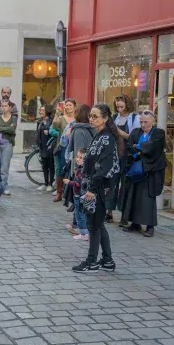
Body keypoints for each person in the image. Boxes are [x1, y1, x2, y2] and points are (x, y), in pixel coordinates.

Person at [72, 103, 120, 273]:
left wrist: (92, 189)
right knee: (98, 224)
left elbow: (103, 167)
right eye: (90, 116)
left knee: (93, 225)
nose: (91, 119)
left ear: (105, 119)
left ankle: (92, 262)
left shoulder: (107, 138)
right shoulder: (99, 135)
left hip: (99, 187)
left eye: (95, 116)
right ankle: (107, 261)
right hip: (95, 185)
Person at [120, 110, 166, 237]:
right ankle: (135, 223)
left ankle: (150, 226)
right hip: (136, 169)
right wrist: (138, 151)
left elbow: (153, 147)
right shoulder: (136, 132)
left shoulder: (158, 133)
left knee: (148, 198)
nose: (143, 125)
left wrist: (139, 148)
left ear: (153, 121)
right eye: (141, 122)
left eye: (146, 122)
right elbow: (130, 146)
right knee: (133, 196)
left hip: (151, 170)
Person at [113, 94, 141, 225]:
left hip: (128, 156)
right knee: (112, 183)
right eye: (117, 106)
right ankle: (109, 212)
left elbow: (135, 138)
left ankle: (124, 216)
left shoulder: (134, 118)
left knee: (125, 186)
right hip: (115, 155)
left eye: (121, 106)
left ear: (127, 104)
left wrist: (119, 132)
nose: (119, 108)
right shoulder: (115, 118)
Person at [66, 104, 96, 210]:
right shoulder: (92, 129)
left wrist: (76, 170)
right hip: (91, 164)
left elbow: (78, 154)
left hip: (82, 167)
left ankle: (78, 223)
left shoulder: (78, 130)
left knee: (79, 195)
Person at [52, 98, 77, 202]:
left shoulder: (77, 118)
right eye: (66, 105)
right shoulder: (61, 118)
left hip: (74, 146)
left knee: (74, 169)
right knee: (60, 170)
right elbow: (54, 125)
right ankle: (59, 192)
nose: (68, 107)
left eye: (70, 105)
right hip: (62, 147)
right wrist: (57, 114)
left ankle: (72, 192)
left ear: (74, 107)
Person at [0, 100, 17, 195]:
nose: (4, 108)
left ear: (10, 107)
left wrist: (0, 129)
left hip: (8, 144)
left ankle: (4, 186)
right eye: (2, 106)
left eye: (6, 106)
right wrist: (5, 130)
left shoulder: (13, 118)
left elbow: (12, 130)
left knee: (5, 167)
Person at [64, 148, 89, 241]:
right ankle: (80, 229)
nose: (78, 159)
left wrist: (69, 182)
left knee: (80, 214)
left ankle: (84, 233)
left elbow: (78, 184)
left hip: (79, 195)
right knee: (80, 213)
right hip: (79, 195)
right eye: (77, 157)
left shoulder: (82, 170)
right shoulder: (80, 168)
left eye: (81, 157)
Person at [36, 105, 55, 192]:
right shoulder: (39, 121)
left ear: (47, 111)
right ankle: (46, 183)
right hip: (42, 145)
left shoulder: (51, 121)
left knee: (51, 166)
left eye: (43, 110)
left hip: (50, 145)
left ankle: (50, 184)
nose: (41, 112)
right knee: (44, 166)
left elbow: (55, 132)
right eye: (40, 110)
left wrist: (49, 133)